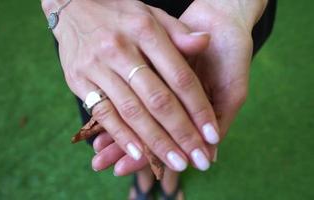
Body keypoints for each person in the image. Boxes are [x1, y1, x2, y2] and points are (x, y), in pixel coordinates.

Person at [41, 0, 276, 199]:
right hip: (94, 21)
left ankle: (172, 173)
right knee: (120, 122)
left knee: (192, 103)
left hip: (214, 10)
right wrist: (62, 4)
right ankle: (143, 177)